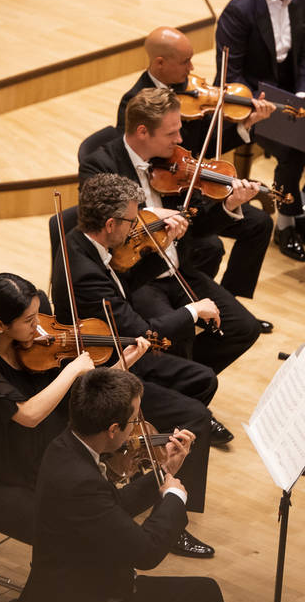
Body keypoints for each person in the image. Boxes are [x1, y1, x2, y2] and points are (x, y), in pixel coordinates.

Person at [51, 173, 220, 557]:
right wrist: (192, 310)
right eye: (132, 221)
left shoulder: (82, 239)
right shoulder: (86, 274)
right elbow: (140, 333)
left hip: (121, 352)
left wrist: (163, 242)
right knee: (194, 414)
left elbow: (122, 286)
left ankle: (145, 456)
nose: (138, 227)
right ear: (110, 225)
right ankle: (173, 514)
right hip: (107, 372)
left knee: (201, 380)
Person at [11, 367, 229, 602]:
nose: (137, 428)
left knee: (202, 592)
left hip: (86, 581)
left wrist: (165, 469)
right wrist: (174, 498)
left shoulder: (66, 445)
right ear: (113, 429)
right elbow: (146, 552)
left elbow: (115, 506)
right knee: (204, 594)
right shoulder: (81, 482)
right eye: (134, 420)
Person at [78, 90, 261, 388]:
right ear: (142, 132)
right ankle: (187, 391)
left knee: (243, 328)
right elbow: (102, 223)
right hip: (138, 276)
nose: (179, 140)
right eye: (171, 133)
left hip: (178, 268)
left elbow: (199, 225)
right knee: (178, 333)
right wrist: (152, 214)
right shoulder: (99, 165)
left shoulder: (175, 163)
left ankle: (188, 383)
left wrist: (229, 205)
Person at [115, 25, 274, 333]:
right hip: (170, 190)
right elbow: (148, 160)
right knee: (211, 245)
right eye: (185, 61)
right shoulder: (134, 103)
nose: (192, 68)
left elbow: (199, 146)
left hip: (190, 183)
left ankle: (229, 300)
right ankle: (193, 308)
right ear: (160, 63)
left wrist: (245, 124)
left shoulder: (191, 93)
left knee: (259, 223)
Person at [0, 273, 98, 543]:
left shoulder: (29, 347)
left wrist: (121, 363)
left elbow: (63, 398)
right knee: (65, 533)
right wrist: (73, 370)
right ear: (0, 325)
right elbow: (28, 415)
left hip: (30, 462)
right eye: (29, 321)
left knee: (92, 510)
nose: (38, 326)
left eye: (38, 315)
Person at [215, 0, 305, 262]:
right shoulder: (240, 11)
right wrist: (258, 105)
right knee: (294, 151)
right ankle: (285, 226)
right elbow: (230, 76)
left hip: (290, 95)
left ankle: (300, 210)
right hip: (251, 103)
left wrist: (303, 92)